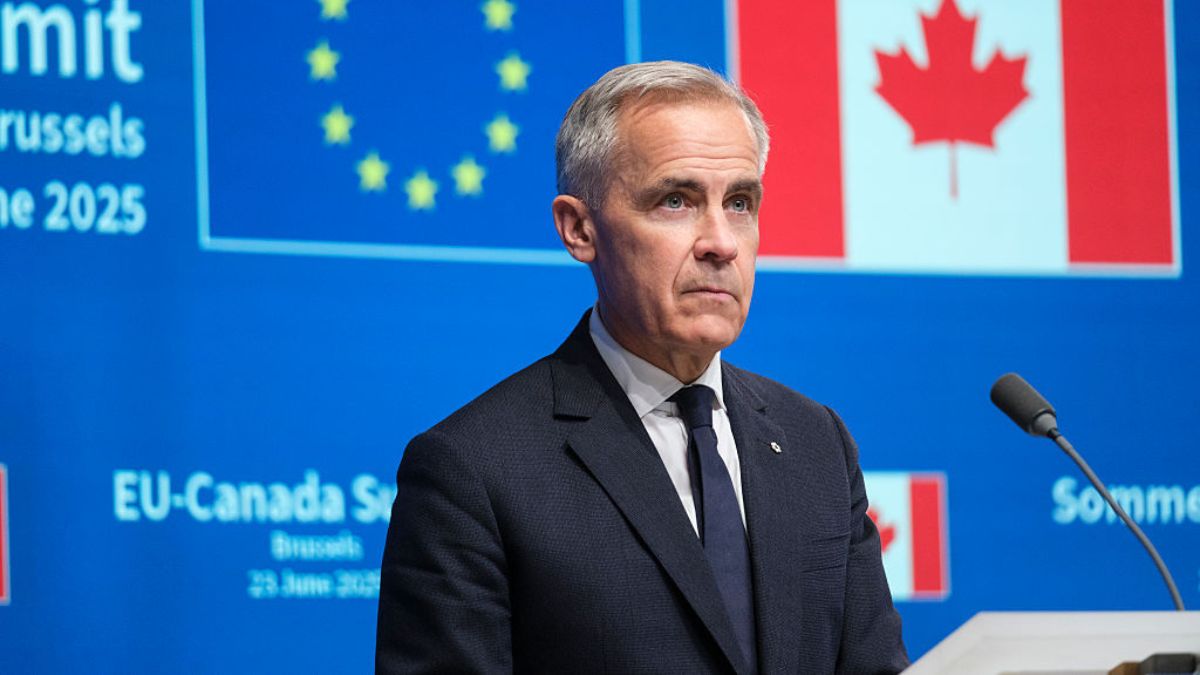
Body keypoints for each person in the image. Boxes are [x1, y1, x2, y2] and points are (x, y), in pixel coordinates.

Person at [376, 61, 908, 674]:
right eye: (676, 201)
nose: (721, 243)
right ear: (579, 229)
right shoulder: (474, 469)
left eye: (740, 203)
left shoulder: (817, 443)